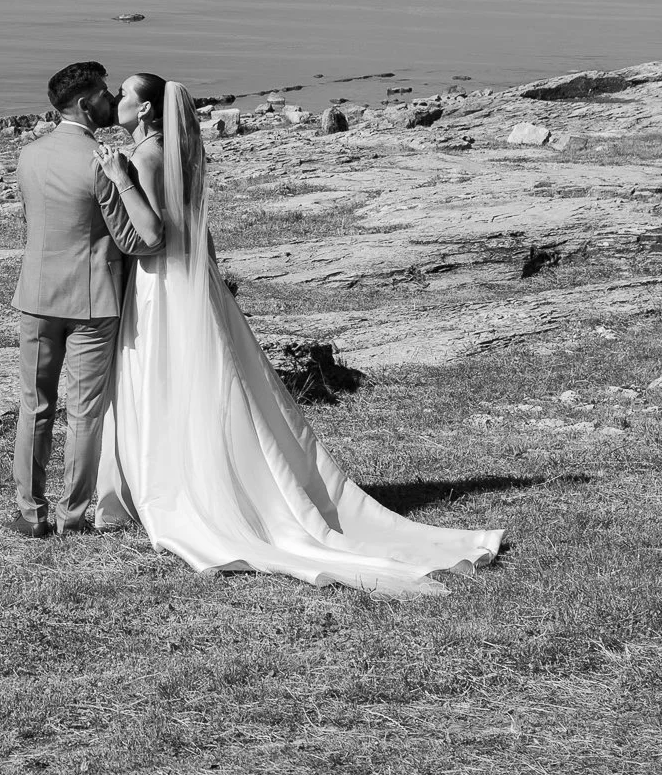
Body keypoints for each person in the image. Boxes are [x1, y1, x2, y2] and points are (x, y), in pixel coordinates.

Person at [90, 72, 503, 596]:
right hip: (193, 281)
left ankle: (179, 491)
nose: (118, 102)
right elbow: (198, 232)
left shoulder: (145, 159)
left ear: (146, 110)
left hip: (163, 285)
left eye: (125, 94)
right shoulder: (180, 157)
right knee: (219, 384)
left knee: (166, 381)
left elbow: (150, 236)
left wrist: (116, 178)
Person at [8, 61, 165, 537]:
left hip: (36, 296)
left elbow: (30, 220)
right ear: (84, 103)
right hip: (93, 302)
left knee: (33, 405)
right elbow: (134, 239)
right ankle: (72, 515)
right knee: (83, 413)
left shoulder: (27, 156)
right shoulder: (100, 160)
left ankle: (30, 513)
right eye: (103, 94)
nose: (109, 100)